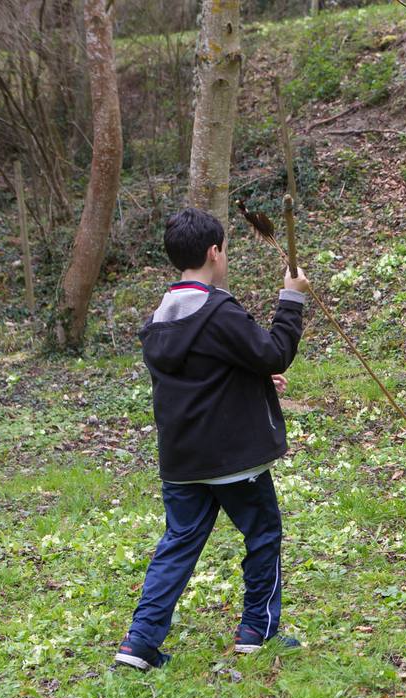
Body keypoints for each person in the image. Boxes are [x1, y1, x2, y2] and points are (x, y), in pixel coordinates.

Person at [114, 208, 309, 670]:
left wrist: (255, 381)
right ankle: (257, 631)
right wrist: (291, 298)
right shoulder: (219, 310)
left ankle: (139, 643)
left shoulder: (161, 317)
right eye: (225, 250)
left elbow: (201, 375)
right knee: (263, 533)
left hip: (182, 461)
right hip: (232, 460)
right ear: (213, 252)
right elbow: (274, 352)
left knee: (178, 541)